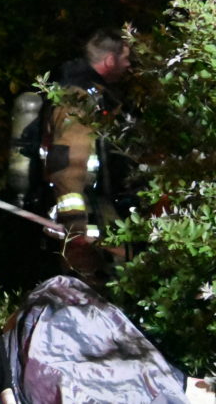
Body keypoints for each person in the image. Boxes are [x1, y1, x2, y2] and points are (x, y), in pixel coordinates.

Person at [43, 28, 132, 286]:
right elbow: (67, 165)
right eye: (126, 58)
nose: (129, 65)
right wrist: (76, 229)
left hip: (103, 213)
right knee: (91, 291)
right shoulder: (79, 99)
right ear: (110, 60)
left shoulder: (100, 95)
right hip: (89, 222)